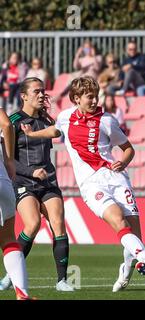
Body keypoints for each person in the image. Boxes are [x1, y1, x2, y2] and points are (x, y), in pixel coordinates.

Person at [20, 75, 145, 293]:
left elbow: (128, 149)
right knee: (118, 221)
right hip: (91, 184)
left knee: (135, 235)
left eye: (96, 96)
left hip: (116, 179)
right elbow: (55, 131)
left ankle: (127, 270)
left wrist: (123, 162)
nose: (95, 101)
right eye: (90, 97)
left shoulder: (107, 120)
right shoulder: (66, 117)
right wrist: (32, 134)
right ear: (77, 98)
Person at [0, 77, 74, 292]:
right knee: (32, 225)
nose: (42, 95)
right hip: (24, 181)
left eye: (43, 91)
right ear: (24, 96)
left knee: (58, 223)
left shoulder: (47, 120)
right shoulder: (12, 121)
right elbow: (8, 159)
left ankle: (62, 281)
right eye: (37, 91)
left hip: (48, 181)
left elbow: (57, 133)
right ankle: (10, 276)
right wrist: (30, 171)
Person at [0, 98, 33, 300]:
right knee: (8, 239)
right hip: (2, 179)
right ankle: (22, 293)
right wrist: (10, 160)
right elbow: (6, 124)